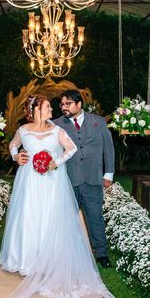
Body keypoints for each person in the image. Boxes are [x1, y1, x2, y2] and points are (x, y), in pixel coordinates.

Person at [0, 95, 123, 298]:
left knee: (52, 219)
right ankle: (27, 260)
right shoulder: (24, 130)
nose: (53, 109)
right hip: (30, 182)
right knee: (29, 218)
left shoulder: (57, 128)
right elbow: (13, 145)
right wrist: (17, 157)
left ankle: (62, 259)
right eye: (48, 107)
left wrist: (56, 161)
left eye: (57, 106)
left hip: (53, 182)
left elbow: (72, 148)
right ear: (35, 110)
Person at [53, 89, 115, 268]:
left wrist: (108, 173)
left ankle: (101, 253)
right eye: (62, 104)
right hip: (67, 180)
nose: (64, 107)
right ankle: (64, 254)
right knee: (65, 219)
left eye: (68, 104)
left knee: (95, 217)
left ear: (79, 104)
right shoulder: (56, 125)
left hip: (93, 179)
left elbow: (108, 148)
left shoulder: (99, 122)